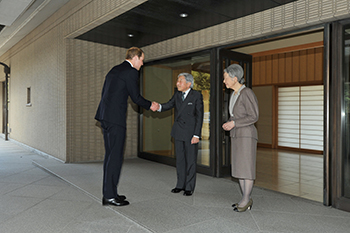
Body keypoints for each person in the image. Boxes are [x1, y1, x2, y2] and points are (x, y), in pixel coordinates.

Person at [95, 47, 159, 206]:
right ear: (135, 58)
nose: (142, 64)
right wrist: (151, 105)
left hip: (105, 118)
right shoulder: (130, 72)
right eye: (142, 60)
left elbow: (106, 95)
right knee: (115, 157)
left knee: (110, 157)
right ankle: (110, 196)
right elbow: (136, 98)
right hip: (115, 120)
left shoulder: (115, 69)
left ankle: (110, 193)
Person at [156, 73, 203, 196]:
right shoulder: (177, 95)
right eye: (177, 81)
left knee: (191, 161)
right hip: (178, 132)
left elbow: (199, 116)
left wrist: (196, 135)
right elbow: (169, 104)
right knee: (180, 160)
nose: (177, 83)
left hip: (190, 134)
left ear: (188, 83)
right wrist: (159, 107)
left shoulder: (196, 95)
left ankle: (189, 187)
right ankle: (180, 185)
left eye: (180, 81)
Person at [222, 64, 259, 212]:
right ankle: (245, 198)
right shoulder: (234, 94)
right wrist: (231, 124)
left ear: (234, 78)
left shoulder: (246, 93)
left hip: (246, 136)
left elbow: (254, 116)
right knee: (240, 168)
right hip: (237, 135)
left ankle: (246, 200)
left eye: (225, 79)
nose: (224, 82)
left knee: (247, 169)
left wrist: (234, 123)